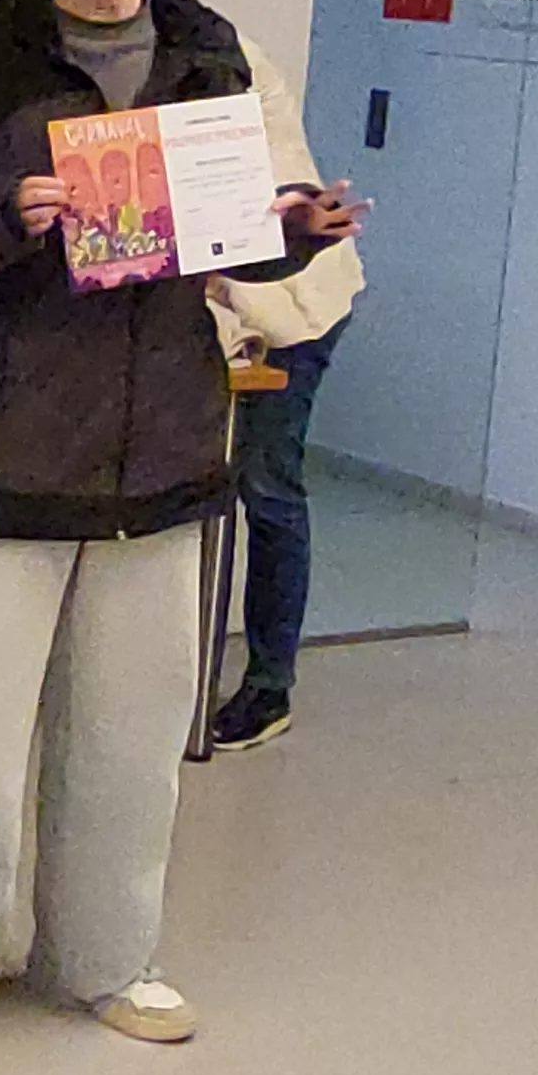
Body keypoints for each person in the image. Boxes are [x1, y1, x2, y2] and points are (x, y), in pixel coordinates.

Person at [0, 0, 360, 1074]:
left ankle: (103, 956)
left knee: (130, 751)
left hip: (161, 456)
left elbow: (220, 232)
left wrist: (293, 229)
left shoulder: (207, 51)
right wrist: (1, 212)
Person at [204, 46, 366, 751]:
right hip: (230, 308)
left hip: (294, 311)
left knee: (268, 490)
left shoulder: (220, 58)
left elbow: (249, 195)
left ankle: (269, 687)